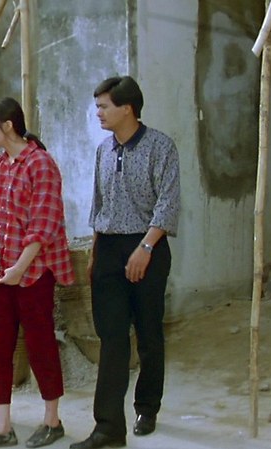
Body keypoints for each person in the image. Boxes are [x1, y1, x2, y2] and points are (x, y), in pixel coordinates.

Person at [70, 76, 180, 449]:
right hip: (109, 249)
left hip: (148, 246)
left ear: (127, 108)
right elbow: (98, 203)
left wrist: (145, 248)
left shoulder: (161, 147)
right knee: (112, 338)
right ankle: (108, 427)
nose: (98, 113)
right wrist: (96, 251)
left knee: (148, 333)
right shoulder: (103, 149)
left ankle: (147, 407)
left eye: (104, 106)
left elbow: (168, 203)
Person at [0, 97, 75, 449]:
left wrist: (19, 268)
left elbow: (45, 223)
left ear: (8, 125)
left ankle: (52, 420)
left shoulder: (40, 163)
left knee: (41, 344)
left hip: (34, 272)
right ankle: (2, 427)